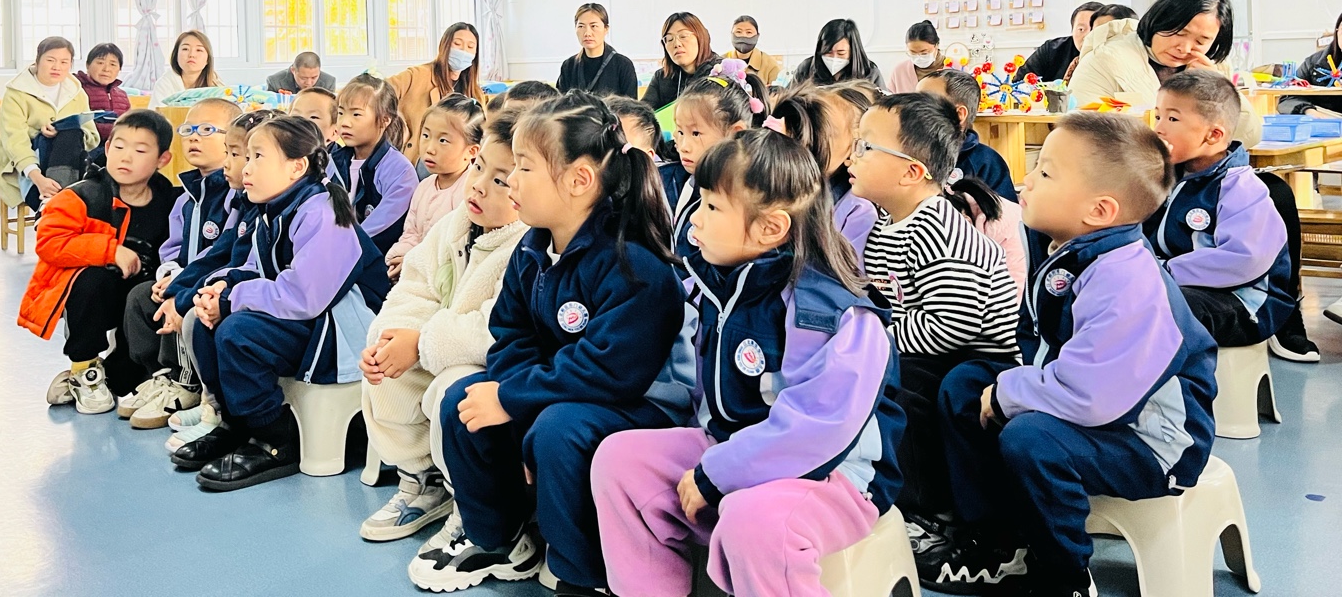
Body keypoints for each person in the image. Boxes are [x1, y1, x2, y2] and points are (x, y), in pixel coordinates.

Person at [593, 130, 906, 597]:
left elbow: (818, 430)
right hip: (735, 450)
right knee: (621, 461)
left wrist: (715, 475)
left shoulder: (833, 311)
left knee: (752, 522)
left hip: (835, 475)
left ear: (769, 228)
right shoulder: (720, 284)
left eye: (712, 207)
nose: (694, 218)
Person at [926, 114, 1216, 597]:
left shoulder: (1126, 279)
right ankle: (1000, 540)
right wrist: (1002, 386)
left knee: (1031, 438)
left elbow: (1091, 395)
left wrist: (1008, 393)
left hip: (1153, 440)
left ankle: (1064, 574)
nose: (1026, 180)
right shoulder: (1072, 249)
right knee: (964, 385)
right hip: (1098, 407)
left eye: (1045, 173)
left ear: (1099, 210)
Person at [409, 92, 688, 594]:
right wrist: (511, 400)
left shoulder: (634, 264)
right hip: (569, 392)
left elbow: (609, 371)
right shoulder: (534, 246)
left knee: (557, 430)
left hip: (642, 405)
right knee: (463, 402)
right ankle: (499, 541)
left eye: (523, 167)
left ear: (578, 180)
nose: (511, 181)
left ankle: (580, 574)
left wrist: (516, 401)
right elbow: (510, 336)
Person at [174, 116, 391, 491]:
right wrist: (220, 289)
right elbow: (253, 267)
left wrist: (232, 300)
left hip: (342, 331)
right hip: (307, 318)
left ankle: (273, 438)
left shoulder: (324, 213)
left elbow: (305, 296)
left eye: (258, 157)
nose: (246, 168)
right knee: (200, 321)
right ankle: (235, 424)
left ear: (296, 167)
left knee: (238, 333)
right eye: (247, 157)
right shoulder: (274, 209)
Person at [846, 93, 1018, 543]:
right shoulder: (887, 222)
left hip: (978, 355)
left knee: (902, 388)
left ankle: (933, 511)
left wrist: (879, 339)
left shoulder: (937, 229)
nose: (852, 155)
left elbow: (951, 325)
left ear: (911, 172)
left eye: (866, 146)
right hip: (929, 345)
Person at [357, 108, 530, 544]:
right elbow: (416, 285)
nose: (479, 185)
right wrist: (396, 335)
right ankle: (422, 480)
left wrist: (420, 344)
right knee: (385, 364)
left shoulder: (524, 242)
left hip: (487, 362)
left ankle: (465, 496)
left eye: (500, 180)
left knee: (452, 390)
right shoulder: (456, 223)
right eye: (479, 167)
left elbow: (495, 328)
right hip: (434, 341)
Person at [18, 109, 179, 414]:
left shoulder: (170, 202)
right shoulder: (82, 195)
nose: (126, 157)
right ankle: (84, 369)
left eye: (140, 151)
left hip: (137, 298)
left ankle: (106, 372)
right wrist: (111, 250)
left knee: (124, 381)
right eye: (119, 147)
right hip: (90, 297)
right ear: (107, 148)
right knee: (93, 279)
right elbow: (49, 243)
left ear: (163, 159)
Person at [116, 98, 241, 431]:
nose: (194, 137)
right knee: (141, 296)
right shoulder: (185, 196)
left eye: (207, 129)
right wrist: (169, 273)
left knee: (185, 303)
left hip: (213, 283)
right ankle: (162, 376)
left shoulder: (236, 193)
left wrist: (182, 283)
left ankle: (187, 384)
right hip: (184, 277)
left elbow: (227, 254)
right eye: (188, 130)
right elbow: (171, 248)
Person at [1145, 71, 1293, 349]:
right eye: (1158, 116)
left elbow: (1244, 260)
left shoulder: (1241, 188)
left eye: (1172, 119)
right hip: (1173, 281)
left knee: (1158, 306)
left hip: (1241, 301)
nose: (1159, 129)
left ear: (1213, 135)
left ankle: (1184, 378)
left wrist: (1164, 271)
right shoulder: (1163, 176)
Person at [161, 109, 279, 453]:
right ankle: (213, 405)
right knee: (188, 311)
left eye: (237, 155)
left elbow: (254, 268)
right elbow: (220, 253)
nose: (229, 164)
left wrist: (194, 297)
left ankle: (227, 414)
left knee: (206, 320)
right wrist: (178, 290)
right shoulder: (247, 202)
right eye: (231, 153)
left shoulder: (275, 207)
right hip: (243, 289)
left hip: (268, 300)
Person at [1069, 0, 1261, 145]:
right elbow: (1081, 138)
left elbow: (1248, 136)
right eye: (1179, 33)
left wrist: (1219, 89)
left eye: (1201, 41)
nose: (1185, 48)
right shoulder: (1104, 61)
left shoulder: (1212, 67)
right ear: (1159, 20)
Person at [664, 60, 765, 255]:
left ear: (735, 133)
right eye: (680, 132)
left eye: (696, 133)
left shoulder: (748, 195)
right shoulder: (674, 178)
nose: (683, 147)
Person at [0, 37, 99, 213]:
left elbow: (92, 137)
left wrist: (64, 130)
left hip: (71, 163)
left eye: (64, 62)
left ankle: (53, 202)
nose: (57, 67)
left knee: (71, 132)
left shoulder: (77, 93)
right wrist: (39, 179)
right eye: (50, 60)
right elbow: (14, 141)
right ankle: (60, 202)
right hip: (28, 169)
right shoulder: (16, 93)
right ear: (37, 61)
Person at [769, 85, 877, 256]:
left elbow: (846, 269)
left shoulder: (856, 211)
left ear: (853, 150)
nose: (806, 137)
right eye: (803, 123)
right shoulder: (767, 180)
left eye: (825, 131)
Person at [385, 95, 486, 279]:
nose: (429, 148)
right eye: (426, 135)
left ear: (471, 151)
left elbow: (456, 249)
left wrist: (412, 261)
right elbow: (411, 233)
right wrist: (398, 257)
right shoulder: (424, 187)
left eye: (443, 140)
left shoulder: (471, 192)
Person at [333, 79, 419, 257]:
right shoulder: (332, 161)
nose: (344, 122)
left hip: (371, 262)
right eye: (341, 113)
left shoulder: (400, 172)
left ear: (384, 120)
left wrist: (334, 252)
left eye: (356, 114)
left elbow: (377, 232)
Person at [389, 23, 487, 162]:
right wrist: (399, 124)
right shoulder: (418, 75)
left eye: (470, 47)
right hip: (422, 158)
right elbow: (380, 92)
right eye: (457, 44)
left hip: (460, 162)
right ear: (444, 46)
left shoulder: (475, 92)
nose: (464, 51)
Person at [920, 69, 1019, 203]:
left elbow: (1006, 213)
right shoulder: (908, 152)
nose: (912, 108)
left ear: (959, 114)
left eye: (925, 101)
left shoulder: (985, 161)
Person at [556, 3, 639, 98]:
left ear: (606, 29)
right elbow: (560, 103)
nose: (587, 33)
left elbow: (631, 105)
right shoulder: (569, 66)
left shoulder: (623, 65)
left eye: (593, 26)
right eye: (581, 26)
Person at [642, 12, 721, 110]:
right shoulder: (662, 77)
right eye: (669, 39)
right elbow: (642, 114)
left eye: (683, 36)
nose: (677, 44)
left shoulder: (721, 72)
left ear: (701, 37)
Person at [1011, 2, 1103, 84]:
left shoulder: (1110, 56)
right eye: (1081, 29)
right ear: (1072, 31)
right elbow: (1019, 83)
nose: (1087, 36)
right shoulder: (1051, 50)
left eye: (1095, 29)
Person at [1278, 11, 1342, 117]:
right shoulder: (1314, 63)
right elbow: (1288, 98)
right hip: (1322, 120)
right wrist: (1309, 111)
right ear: (1337, 31)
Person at [792, 19, 884, 90]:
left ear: (853, 51)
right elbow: (790, 98)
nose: (834, 58)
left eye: (841, 53)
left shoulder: (870, 72)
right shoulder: (806, 68)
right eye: (828, 52)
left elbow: (883, 105)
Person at [1059, 4, 1137, 83]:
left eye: (1106, 33)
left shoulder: (1136, 65)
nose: (1087, 37)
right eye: (1081, 29)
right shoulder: (1078, 64)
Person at [76, 43, 131, 145]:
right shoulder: (77, 90)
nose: (106, 69)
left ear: (119, 69)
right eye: (100, 63)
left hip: (117, 146)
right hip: (88, 145)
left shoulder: (122, 95)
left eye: (113, 64)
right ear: (87, 65)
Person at [150, 30, 223, 103]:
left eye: (199, 50)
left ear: (208, 59)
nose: (191, 55)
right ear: (176, 55)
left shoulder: (217, 86)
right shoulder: (164, 84)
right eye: (185, 49)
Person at [723, 15, 783, 87]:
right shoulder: (721, 62)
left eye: (749, 32)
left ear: (757, 36)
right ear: (731, 34)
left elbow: (778, 91)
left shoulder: (770, 64)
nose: (743, 36)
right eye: (738, 32)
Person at [888, 21, 945, 94]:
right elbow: (889, 97)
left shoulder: (954, 66)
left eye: (924, 53)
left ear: (936, 45)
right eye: (913, 53)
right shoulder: (900, 71)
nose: (918, 57)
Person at [265, 50, 336, 95]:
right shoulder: (275, 81)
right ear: (293, 70)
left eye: (314, 77)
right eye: (303, 78)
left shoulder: (329, 82)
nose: (308, 83)